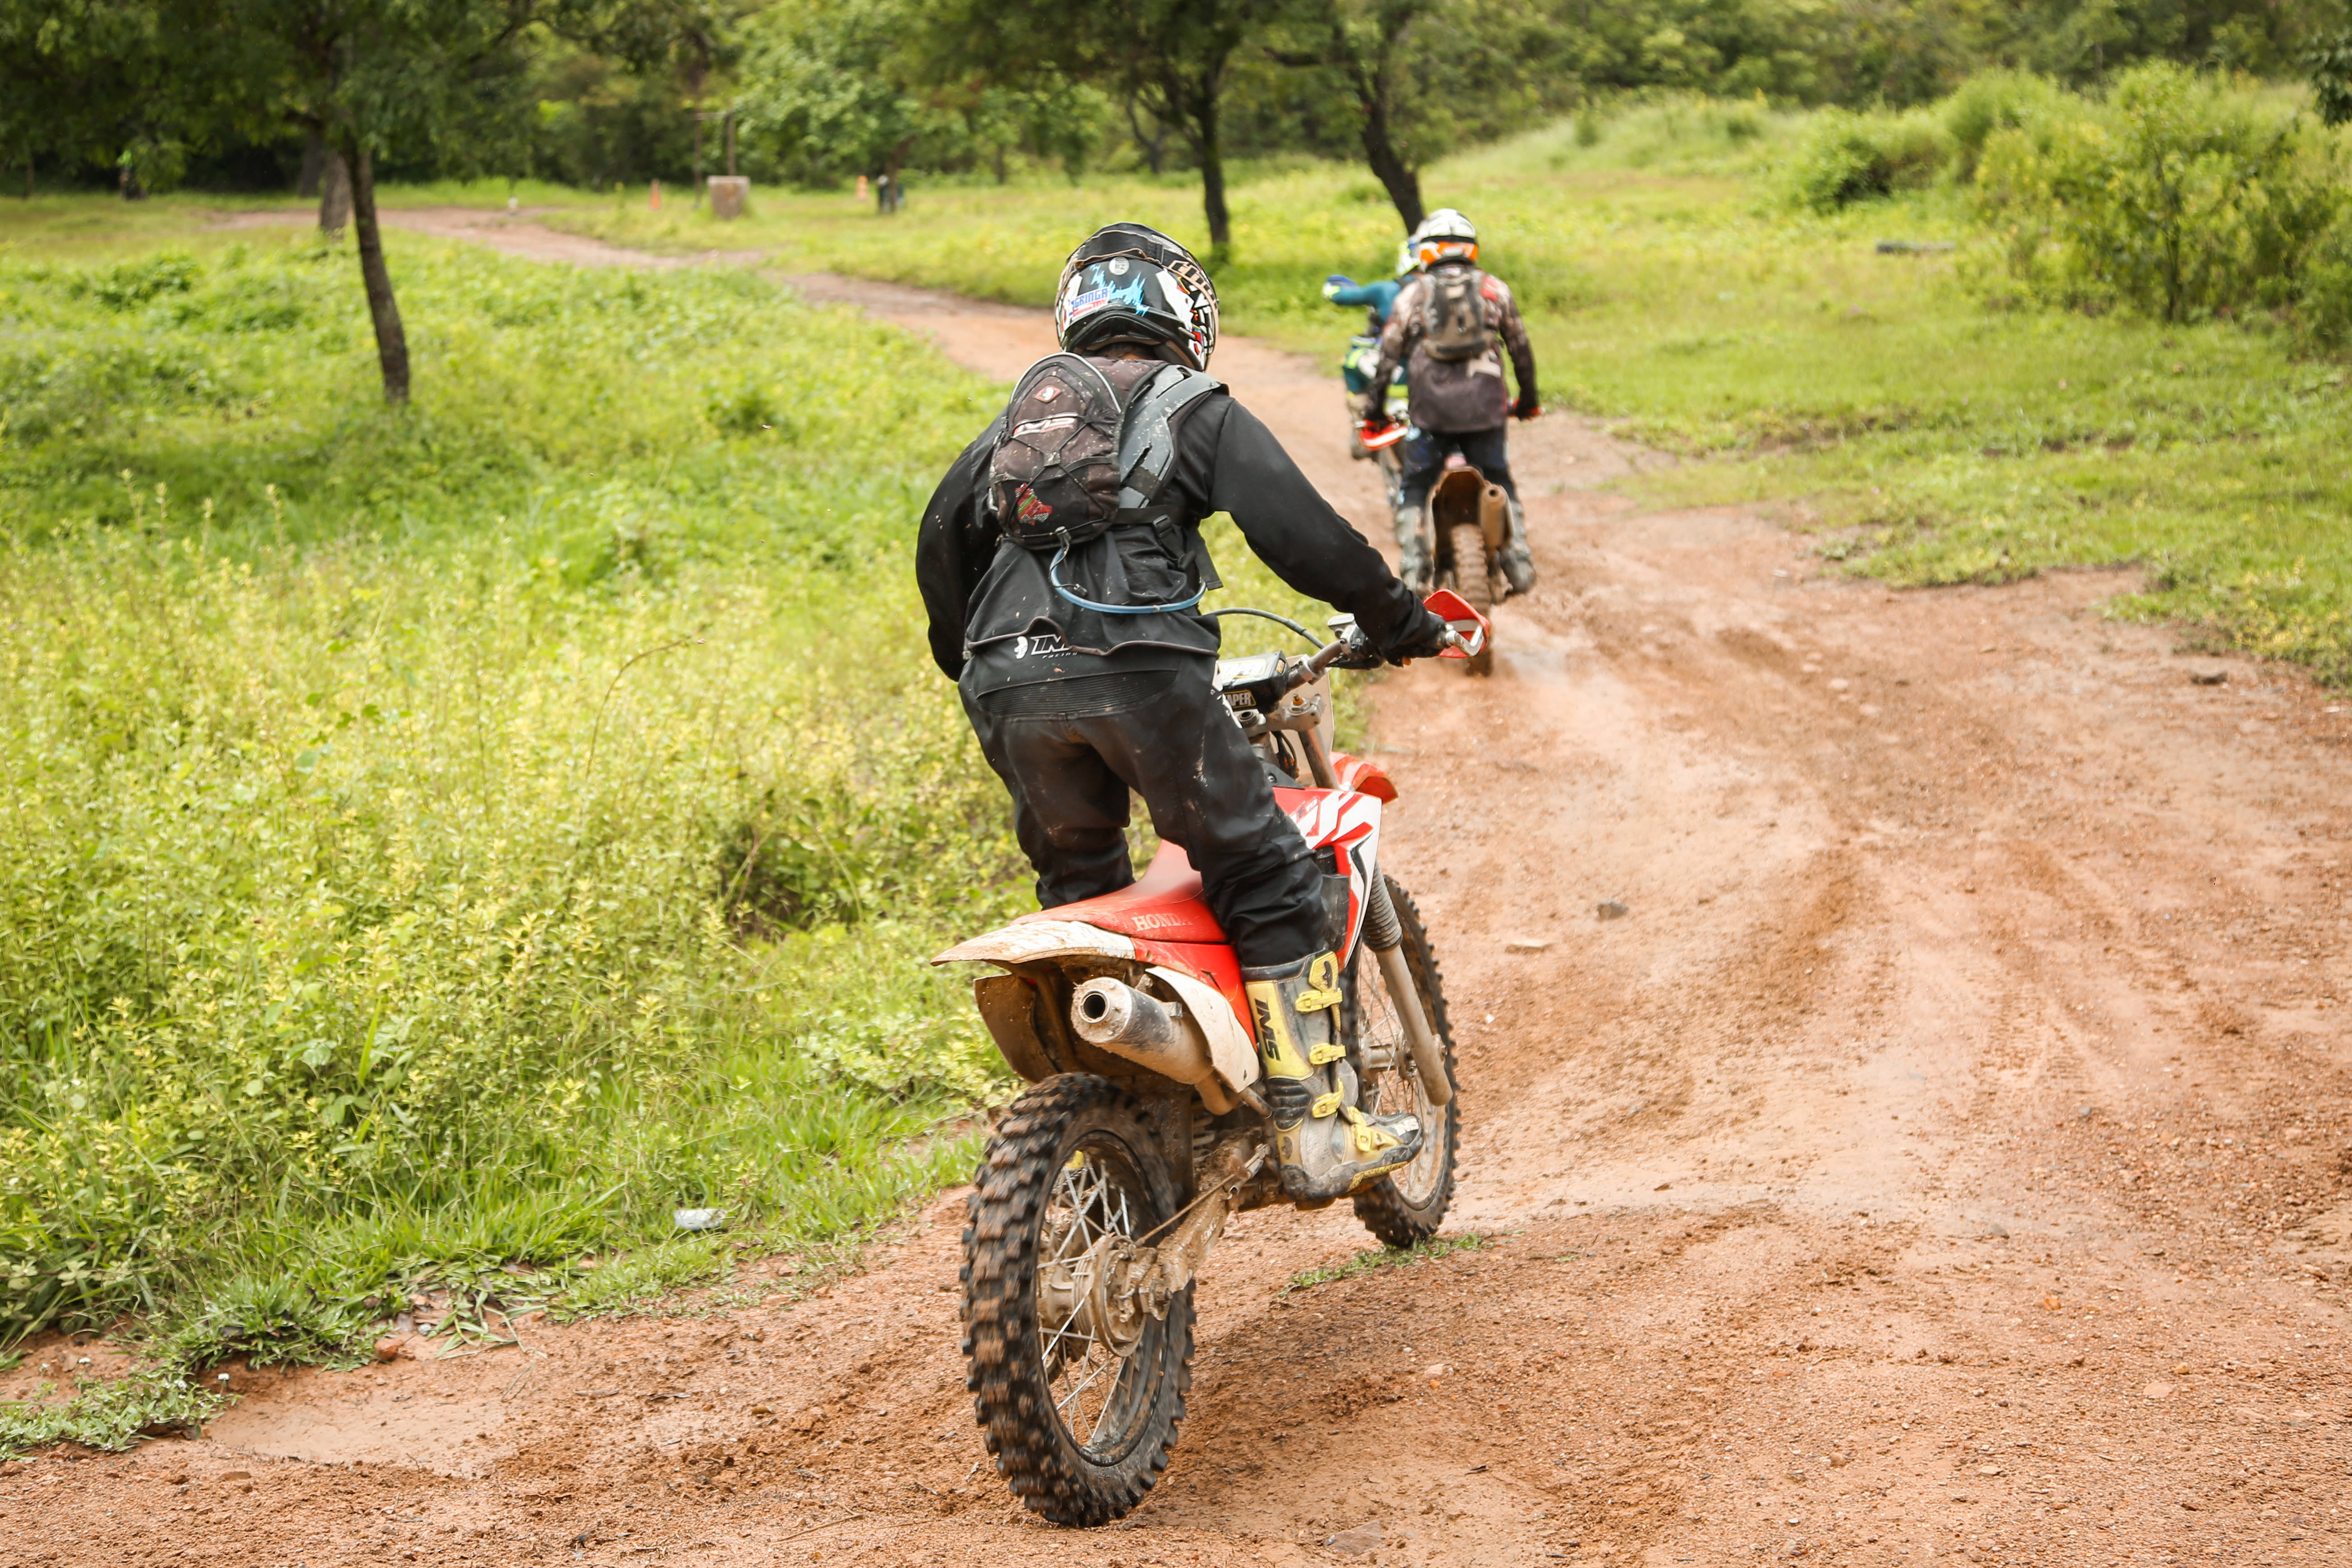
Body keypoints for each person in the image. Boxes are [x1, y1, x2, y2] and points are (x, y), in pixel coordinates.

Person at [917, 222, 1452, 1202]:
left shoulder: (1011, 428)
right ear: (1186, 318)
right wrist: (1400, 617)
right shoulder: (1189, 405)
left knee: (1080, 888)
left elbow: (938, 546)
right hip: (1138, 670)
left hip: (1003, 680)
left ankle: (1122, 1122)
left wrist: (980, 661)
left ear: (1074, 312)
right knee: (1262, 868)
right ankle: (1316, 1128)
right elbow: (1304, 537)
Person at [1362, 208, 1539, 595]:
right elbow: (1520, 349)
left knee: (1414, 487)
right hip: (1486, 411)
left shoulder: (1413, 295)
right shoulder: (1495, 289)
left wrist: (1373, 412)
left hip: (1431, 417)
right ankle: (1519, 562)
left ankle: (1413, 572)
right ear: (1471, 250)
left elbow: (1387, 358)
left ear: (1426, 253)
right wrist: (1528, 400)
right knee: (1499, 478)